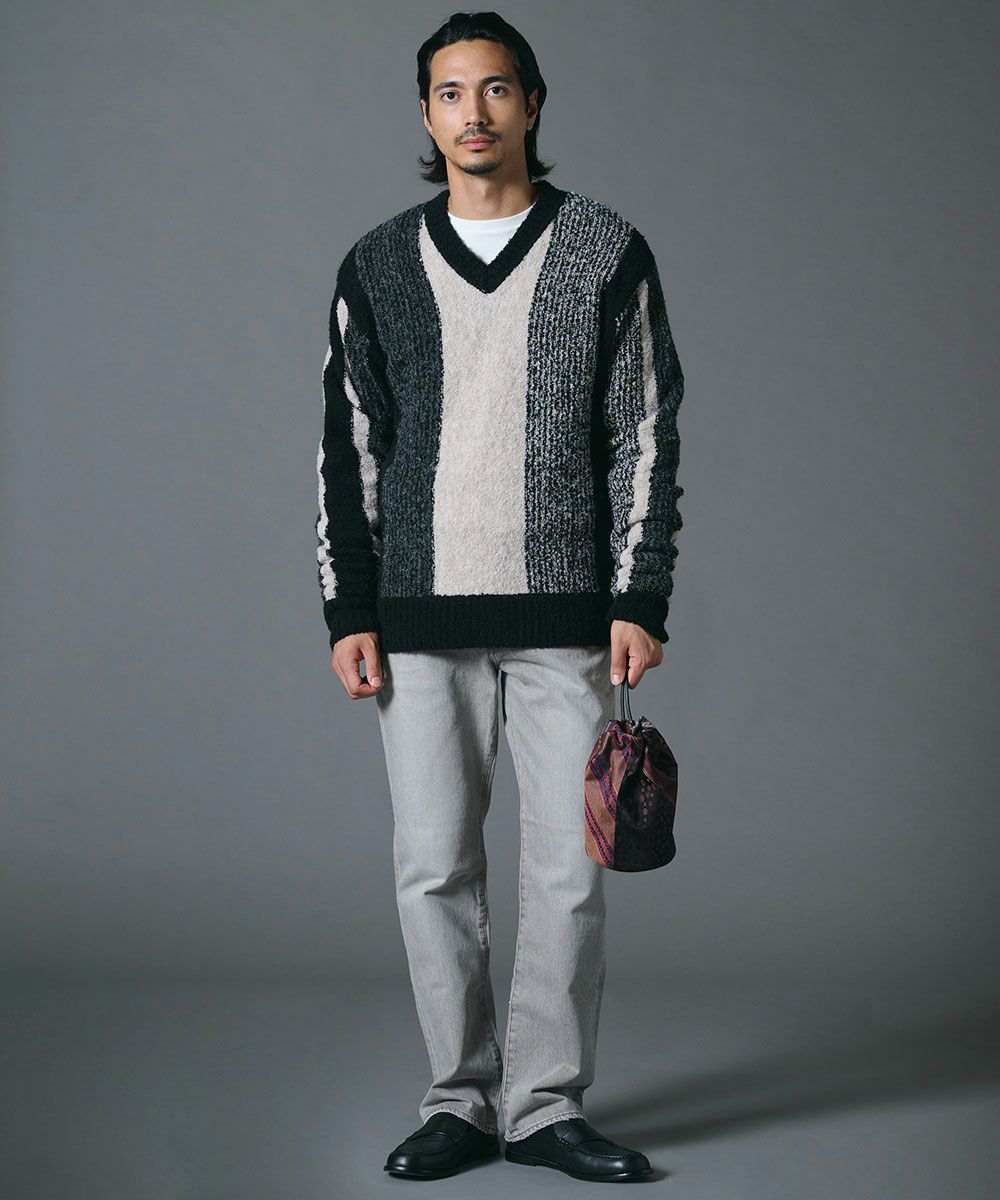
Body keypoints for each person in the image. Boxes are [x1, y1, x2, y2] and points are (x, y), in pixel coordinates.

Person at [315, 11, 684, 1184]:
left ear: (531, 104)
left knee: (570, 875)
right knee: (434, 868)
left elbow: (643, 433)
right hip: (418, 622)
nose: (472, 112)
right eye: (448, 92)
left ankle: (545, 1108)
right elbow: (349, 450)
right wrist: (349, 610)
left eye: (494, 89)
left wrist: (639, 596)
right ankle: (460, 1103)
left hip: (566, 618)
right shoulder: (377, 265)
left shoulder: (605, 251)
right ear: (425, 117)